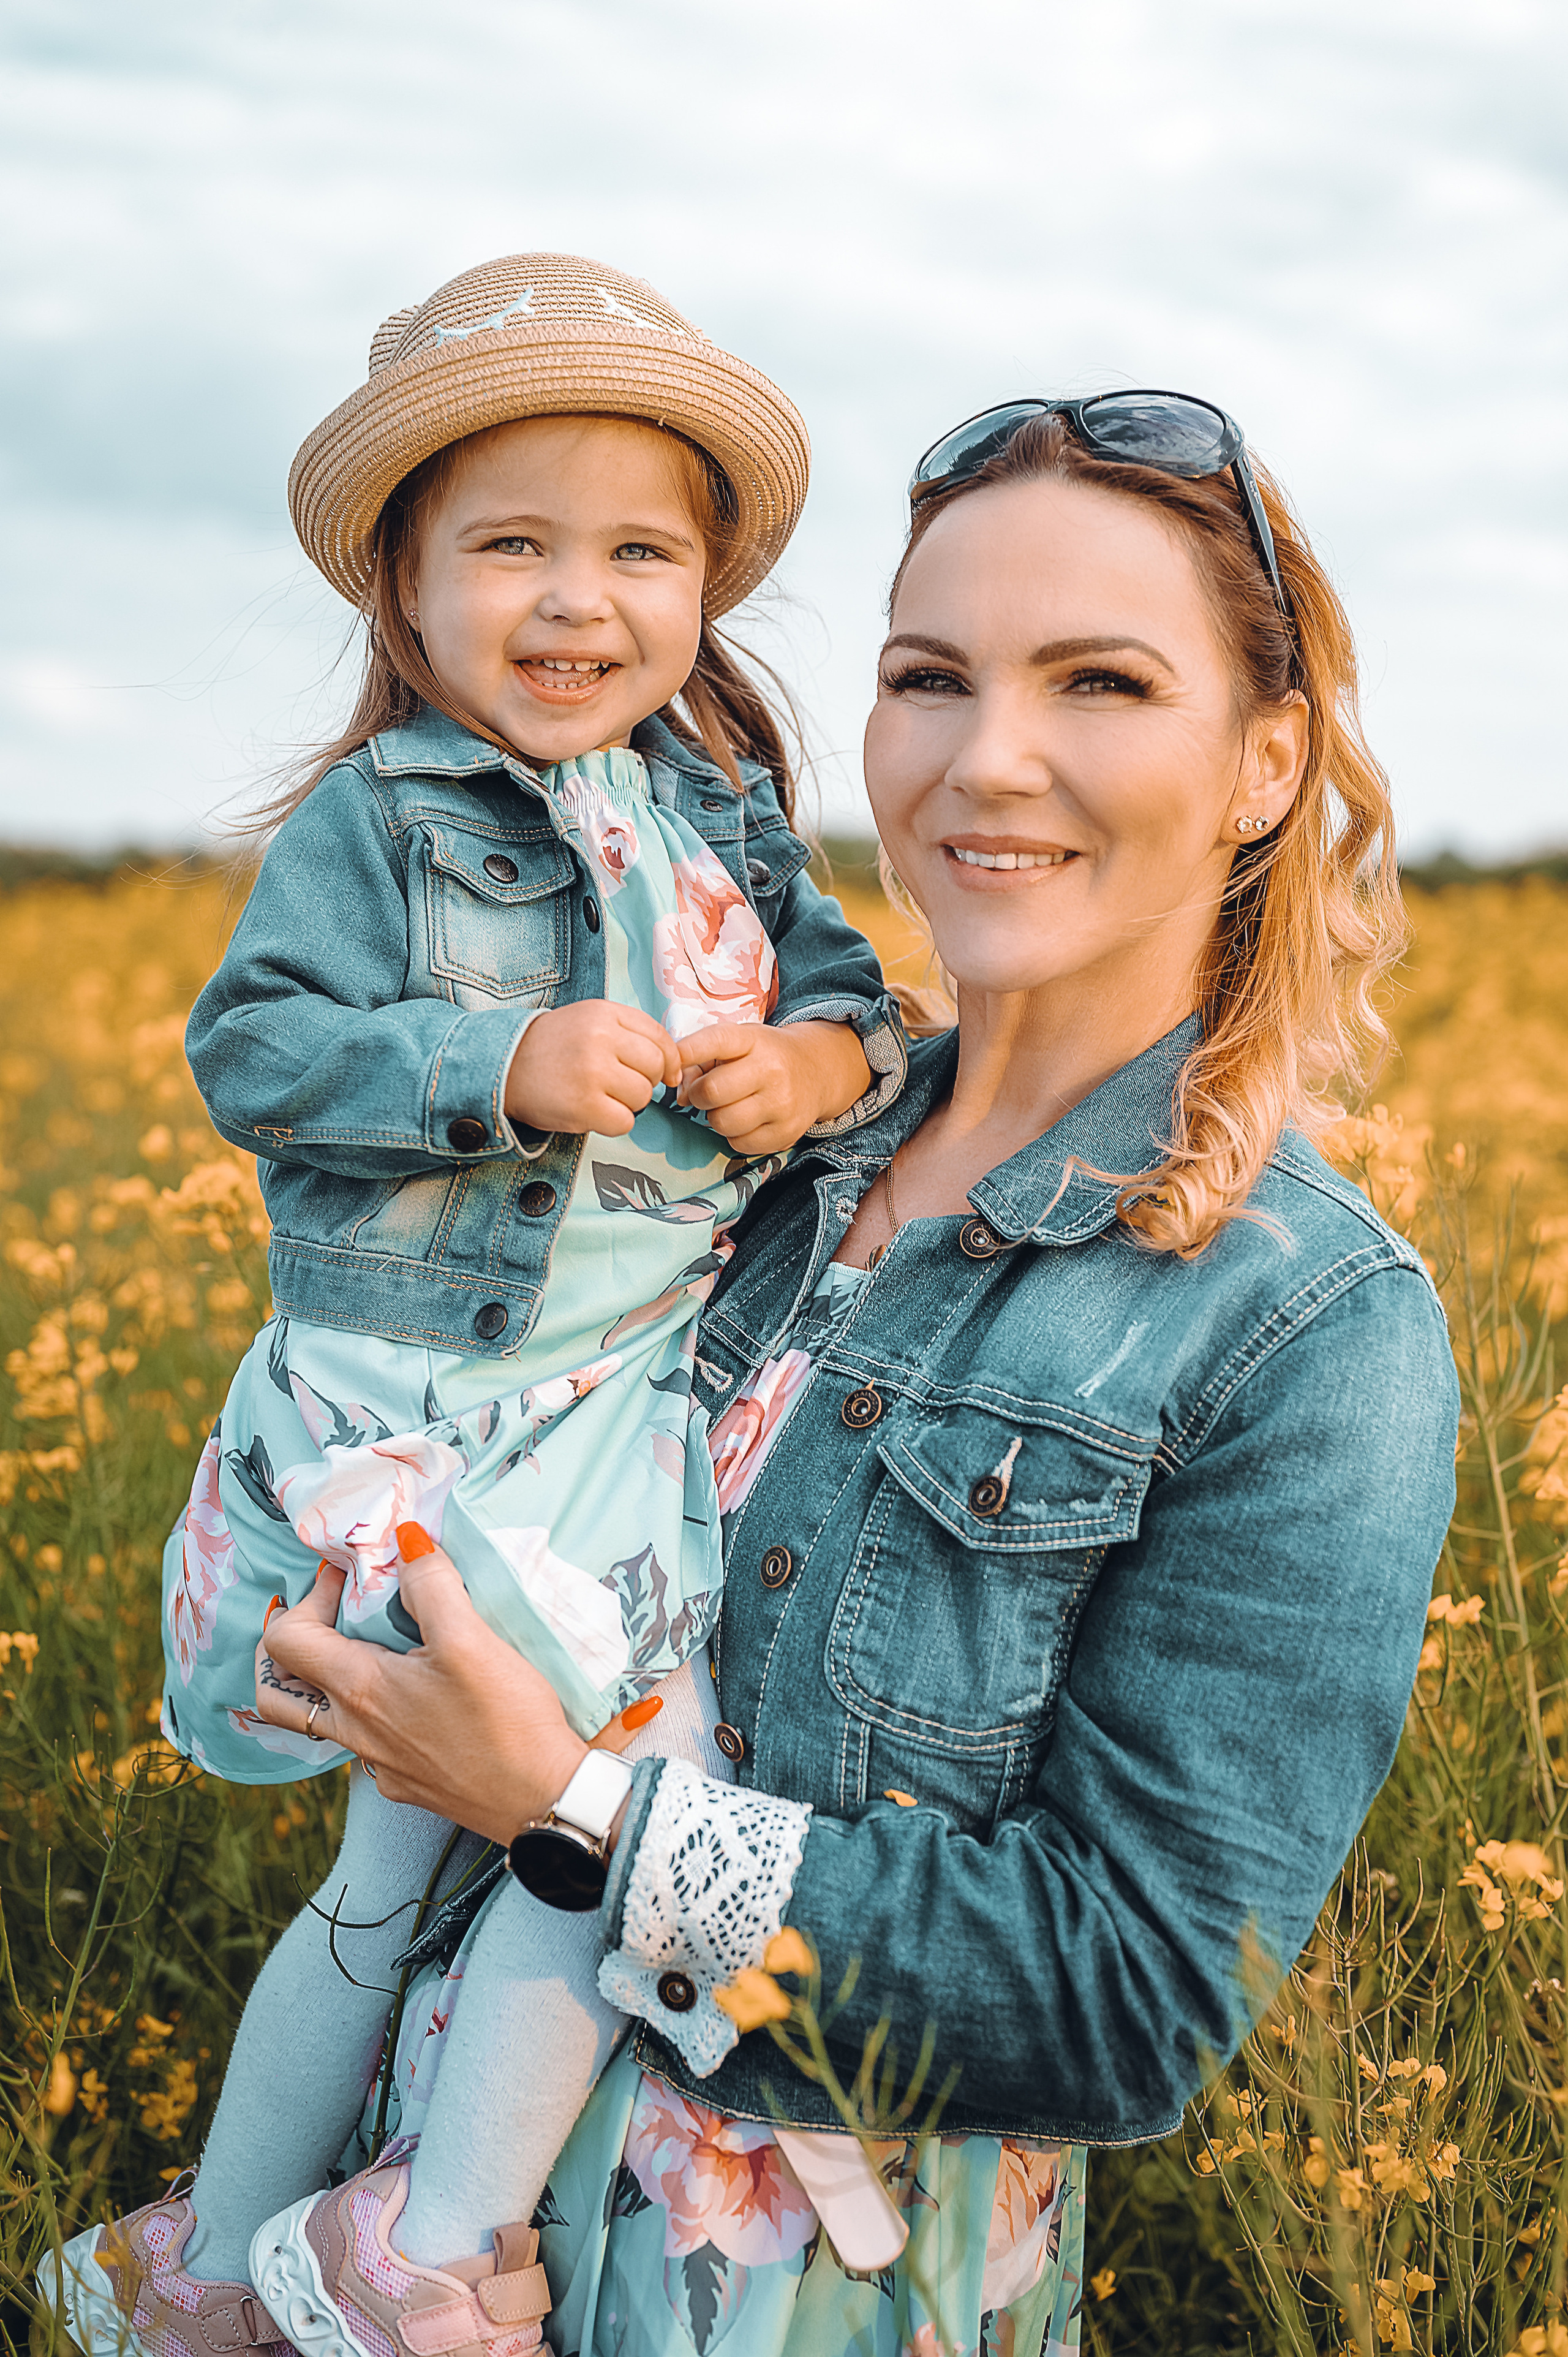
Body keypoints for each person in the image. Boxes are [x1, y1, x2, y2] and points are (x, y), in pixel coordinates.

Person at [243, 391, 1459, 2357]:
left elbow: (1129, 2001)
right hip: (410, 2249)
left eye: (1102, 682)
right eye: (928, 676)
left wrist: (574, 1810)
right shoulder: (746, 1156)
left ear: (1264, 764)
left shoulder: (1302, 1321)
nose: (991, 761)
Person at [46, 255, 909, 2357]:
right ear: (405, 595)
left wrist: (815, 1065)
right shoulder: (380, 820)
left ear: (704, 586)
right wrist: (487, 1069)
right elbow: (253, 1052)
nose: (574, 600)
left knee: (490, 1835)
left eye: (637, 550)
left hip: (624, 1406)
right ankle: (416, 2253)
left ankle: (210, 2274)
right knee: (593, 1801)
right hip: (435, 1405)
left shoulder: (717, 815)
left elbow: (853, 1011)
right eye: (507, 545)